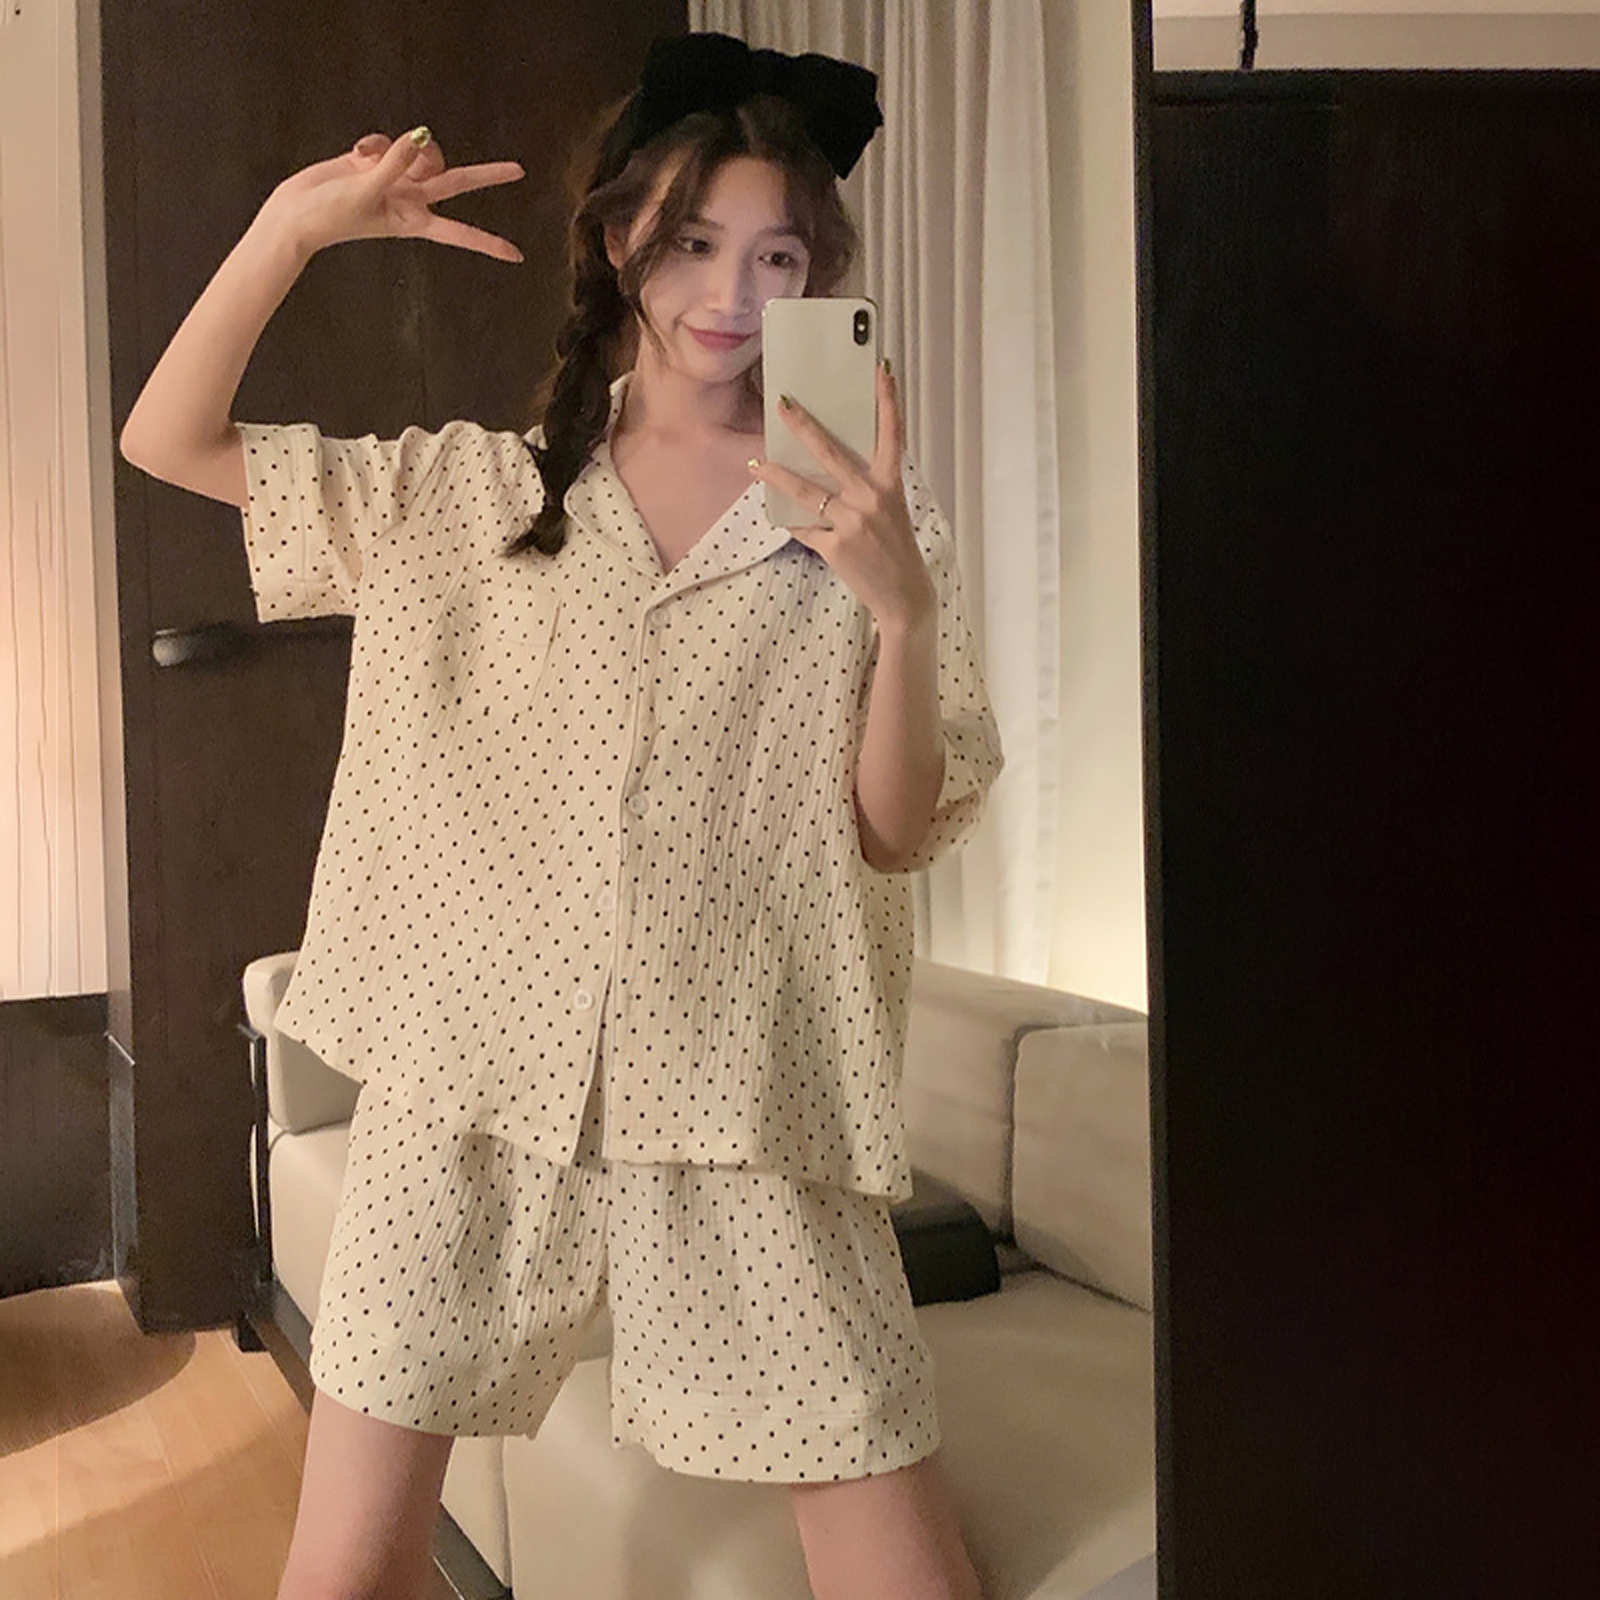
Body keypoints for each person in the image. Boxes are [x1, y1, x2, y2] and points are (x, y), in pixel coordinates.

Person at [120, 31, 1002, 1600]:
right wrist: (291, 231)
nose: (733, 292)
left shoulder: (866, 517)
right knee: (344, 1574)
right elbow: (166, 440)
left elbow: (890, 829)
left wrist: (904, 613)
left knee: (904, 1576)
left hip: (743, 1089)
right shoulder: (466, 496)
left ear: (818, 275)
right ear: (616, 243)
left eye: (777, 254)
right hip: (467, 1080)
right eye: (693, 243)